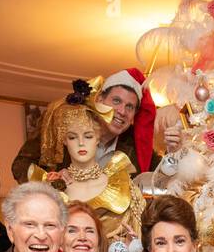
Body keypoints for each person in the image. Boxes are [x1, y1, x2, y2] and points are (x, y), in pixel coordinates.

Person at [32, 81, 144, 252]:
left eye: (89, 136)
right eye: (72, 137)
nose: (81, 143)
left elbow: (141, 235)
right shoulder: (50, 187)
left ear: (98, 138)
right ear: (64, 141)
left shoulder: (124, 182)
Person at [12, 69, 160, 181]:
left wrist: (176, 150)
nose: (122, 111)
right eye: (116, 101)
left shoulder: (138, 147)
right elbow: (21, 165)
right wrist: (52, 182)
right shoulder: (62, 122)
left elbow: (161, 178)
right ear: (100, 99)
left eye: (130, 107)